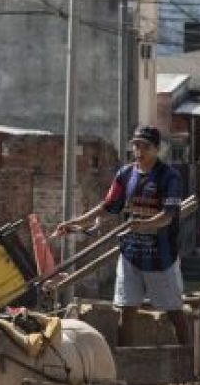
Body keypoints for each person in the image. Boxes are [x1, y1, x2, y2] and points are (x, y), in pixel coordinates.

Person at [54, 125, 190, 344]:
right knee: (126, 311)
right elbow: (107, 207)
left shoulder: (169, 177)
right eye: (136, 146)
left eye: (145, 146)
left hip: (161, 258)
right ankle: (125, 363)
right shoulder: (125, 175)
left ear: (157, 149)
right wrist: (75, 223)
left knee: (174, 312)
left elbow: (168, 215)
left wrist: (145, 224)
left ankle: (187, 363)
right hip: (130, 255)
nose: (139, 151)